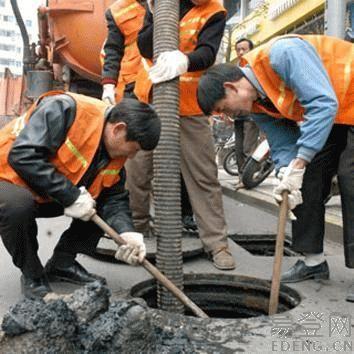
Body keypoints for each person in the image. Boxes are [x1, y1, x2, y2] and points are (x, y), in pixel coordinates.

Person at [197, 34, 354, 301]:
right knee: (305, 180)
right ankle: (314, 261)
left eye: (224, 108)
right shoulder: (257, 106)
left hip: (339, 102)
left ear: (231, 88)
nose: (227, 116)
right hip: (336, 113)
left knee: (350, 176)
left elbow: (323, 103)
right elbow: (283, 145)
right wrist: (286, 172)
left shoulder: (282, 54)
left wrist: (301, 158)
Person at [0, 91, 161, 299]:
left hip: (45, 191)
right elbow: (22, 155)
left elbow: (114, 199)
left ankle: (62, 264)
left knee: (99, 203)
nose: (132, 156)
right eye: (134, 149)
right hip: (7, 179)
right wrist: (71, 195)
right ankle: (33, 276)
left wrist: (127, 232)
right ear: (119, 130)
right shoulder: (63, 109)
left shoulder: (114, 151)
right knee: (17, 206)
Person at [132, 0, 236, 270]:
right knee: (137, 170)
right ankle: (135, 233)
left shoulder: (214, 11)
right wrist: (155, 16)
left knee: (203, 176)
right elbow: (144, 46)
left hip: (189, 105)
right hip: (150, 100)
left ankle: (217, 244)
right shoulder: (159, 3)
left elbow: (208, 53)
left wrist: (185, 60)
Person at [101, 0, 197, 235]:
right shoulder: (118, 10)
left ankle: (184, 217)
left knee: (178, 160)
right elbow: (112, 51)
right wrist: (108, 84)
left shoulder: (183, 4)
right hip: (135, 89)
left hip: (175, 85)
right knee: (137, 165)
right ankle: (137, 225)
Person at [233, 38, 259, 182]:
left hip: (252, 114)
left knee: (248, 148)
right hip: (238, 115)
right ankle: (241, 177)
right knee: (238, 149)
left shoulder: (254, 66)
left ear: (251, 49)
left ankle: (248, 177)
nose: (241, 52)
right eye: (238, 49)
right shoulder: (236, 68)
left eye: (244, 49)